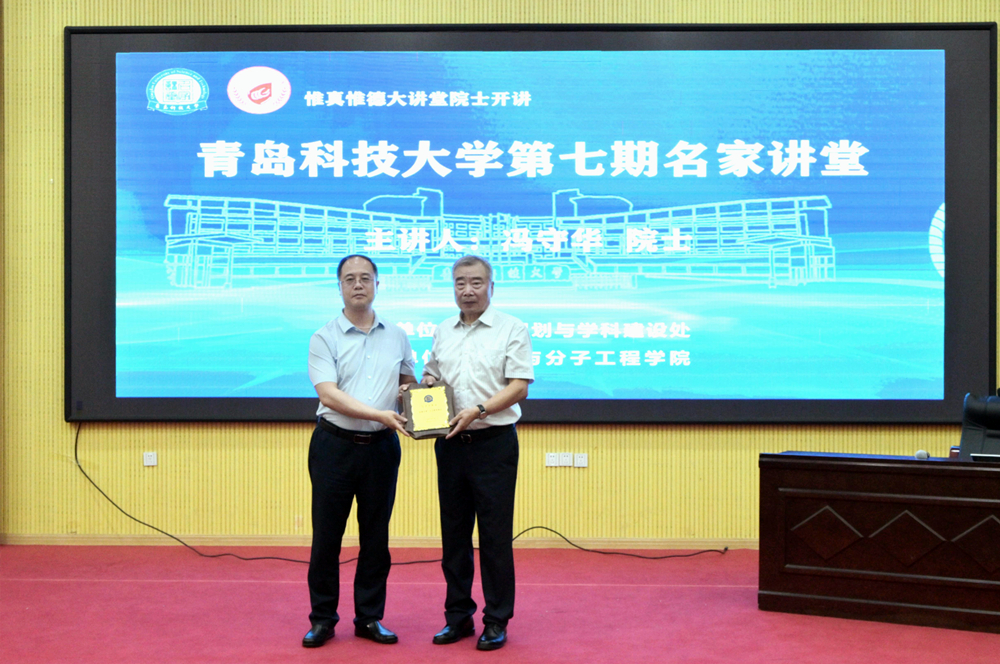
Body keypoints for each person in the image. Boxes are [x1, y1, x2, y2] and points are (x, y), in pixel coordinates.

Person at [417, 255, 534, 651]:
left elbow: (519, 386)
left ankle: (497, 619)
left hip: (493, 443)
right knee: (454, 535)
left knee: (494, 536)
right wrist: (427, 381)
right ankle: (458, 617)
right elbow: (433, 371)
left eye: (476, 283)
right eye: (460, 283)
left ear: (491, 286)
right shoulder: (442, 330)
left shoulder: (512, 328)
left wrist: (480, 410)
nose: (467, 290)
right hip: (450, 443)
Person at [302, 254, 417, 648]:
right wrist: (380, 413)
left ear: (377, 285)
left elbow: (407, 382)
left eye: (365, 278)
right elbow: (329, 395)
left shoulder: (397, 335)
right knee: (327, 537)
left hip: (381, 449)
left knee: (375, 538)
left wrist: (414, 397)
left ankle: (369, 617)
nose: (357, 285)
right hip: (334, 446)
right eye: (349, 279)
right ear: (339, 287)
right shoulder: (324, 338)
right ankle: (322, 619)